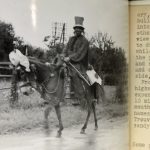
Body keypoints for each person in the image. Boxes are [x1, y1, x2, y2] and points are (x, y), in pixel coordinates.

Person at [63, 16, 90, 105]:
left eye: (79, 28)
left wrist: (69, 57)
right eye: (76, 28)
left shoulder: (85, 41)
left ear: (82, 30)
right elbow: (66, 49)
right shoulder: (71, 39)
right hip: (68, 61)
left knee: (74, 74)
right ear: (74, 29)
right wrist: (63, 56)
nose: (77, 30)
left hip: (80, 63)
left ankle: (79, 98)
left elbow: (80, 53)